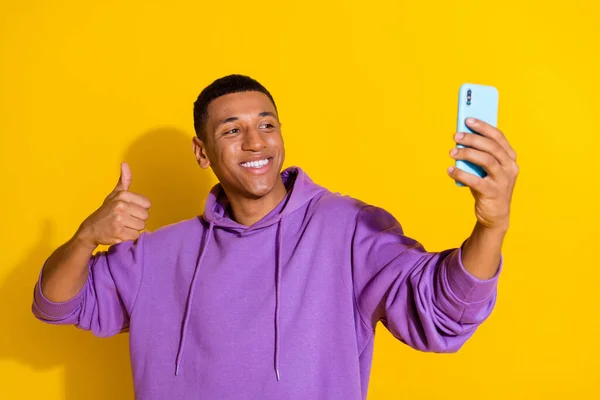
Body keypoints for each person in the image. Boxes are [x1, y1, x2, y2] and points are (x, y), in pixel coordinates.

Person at [32, 74, 518, 400]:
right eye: (232, 130)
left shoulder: (348, 229)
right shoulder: (157, 255)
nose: (255, 142)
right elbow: (56, 304)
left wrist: (490, 225)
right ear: (202, 152)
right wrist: (85, 238)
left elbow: (440, 313)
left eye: (267, 125)